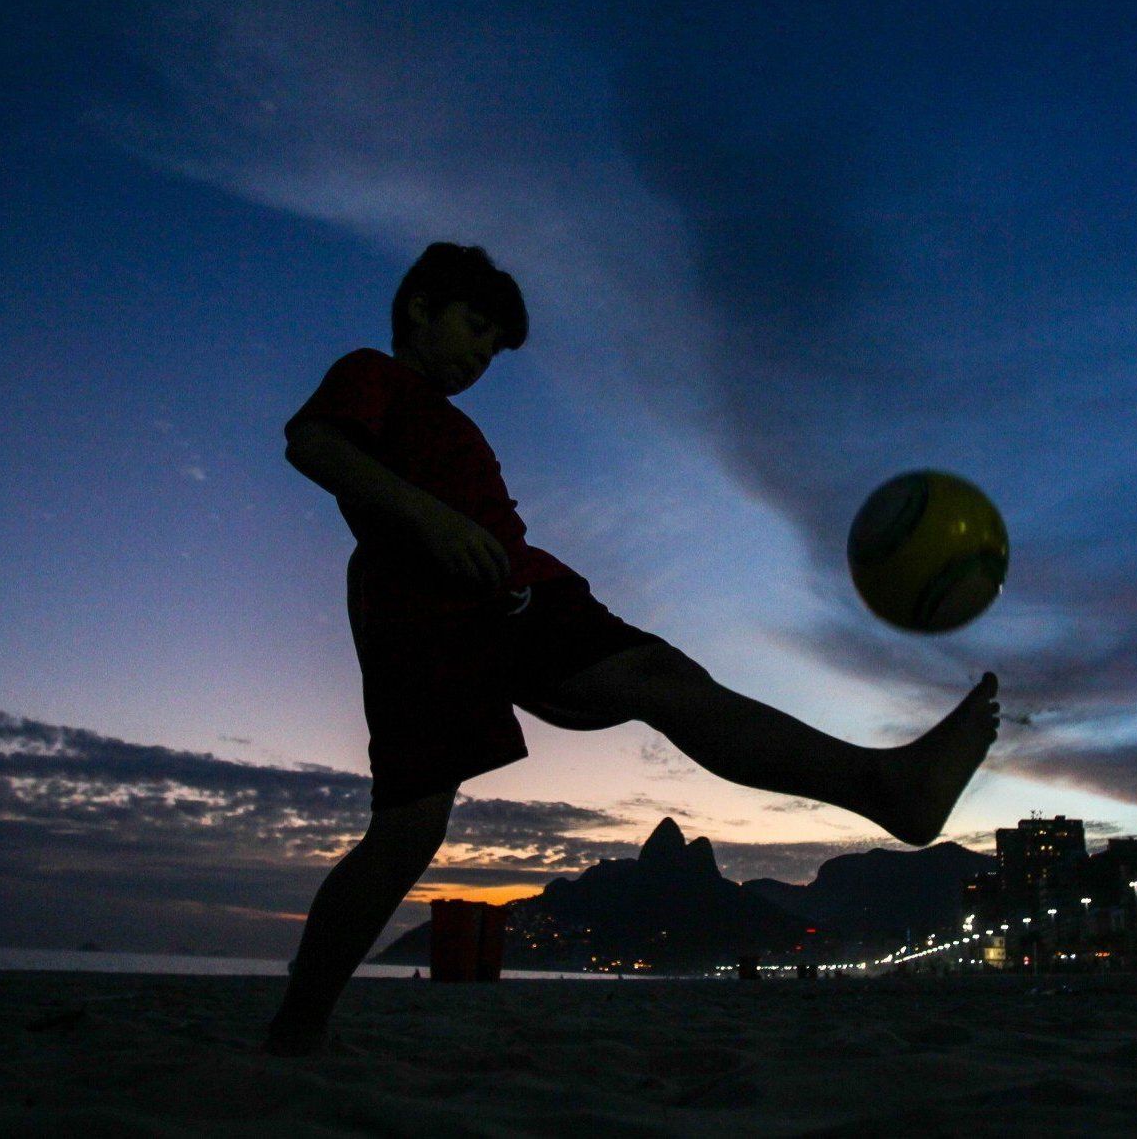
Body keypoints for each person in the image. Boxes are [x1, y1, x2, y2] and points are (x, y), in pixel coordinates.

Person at [264, 242, 999, 1055]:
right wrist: (431, 520)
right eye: (474, 327)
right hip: (419, 611)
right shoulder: (373, 371)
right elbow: (313, 443)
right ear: (419, 310)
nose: (481, 353)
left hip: (522, 599)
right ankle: (299, 1025)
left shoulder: (457, 423)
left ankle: (887, 786)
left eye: (494, 347)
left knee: (661, 678)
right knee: (407, 832)